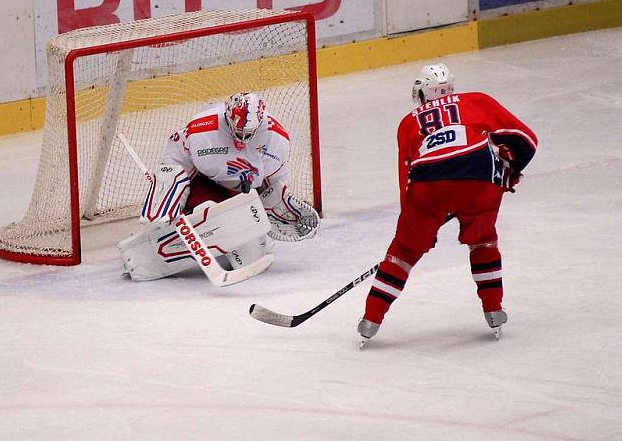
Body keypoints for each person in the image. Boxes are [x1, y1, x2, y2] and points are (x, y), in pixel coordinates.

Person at [358, 63, 538, 344]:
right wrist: (510, 172)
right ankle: (493, 310)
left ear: (421, 93)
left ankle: (370, 320)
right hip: (479, 179)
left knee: (403, 253)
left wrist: (417, 229)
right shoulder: (477, 101)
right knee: (483, 241)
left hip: (427, 185)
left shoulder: (408, 122)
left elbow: (406, 176)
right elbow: (526, 140)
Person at [120, 92, 319, 282]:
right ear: (227, 116)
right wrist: (170, 190)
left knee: (250, 258)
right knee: (192, 213)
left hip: (239, 198)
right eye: (238, 130)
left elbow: (275, 182)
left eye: (248, 133)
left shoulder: (276, 139)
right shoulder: (202, 129)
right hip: (204, 186)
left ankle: (241, 236)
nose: (242, 139)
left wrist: (272, 207)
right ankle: (150, 250)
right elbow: (176, 155)